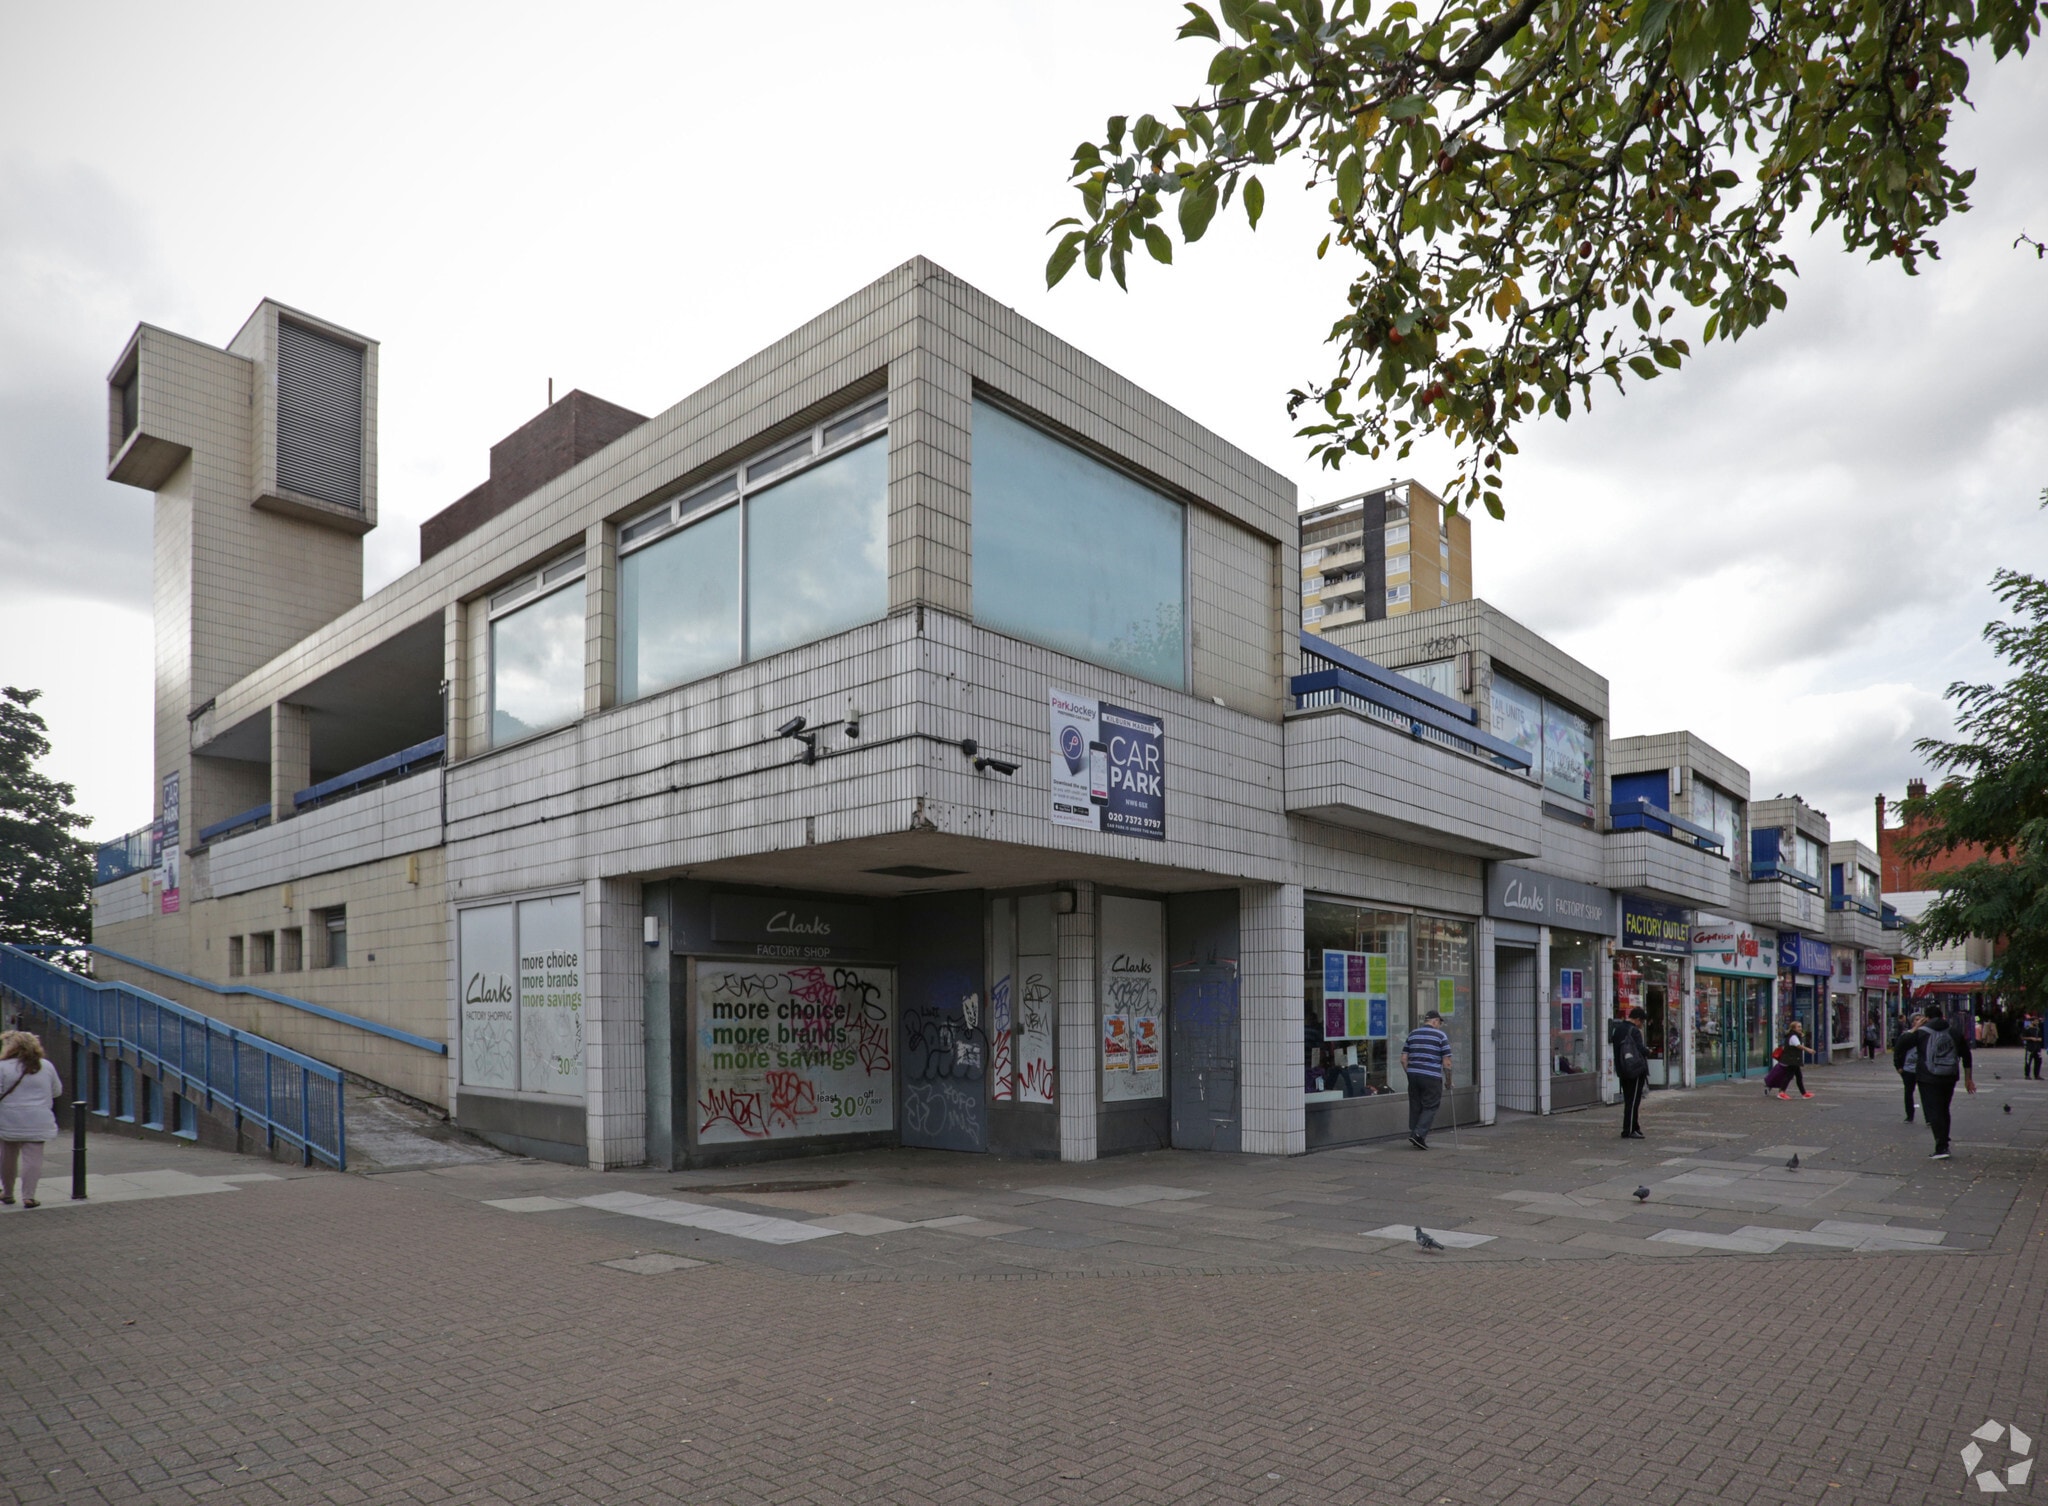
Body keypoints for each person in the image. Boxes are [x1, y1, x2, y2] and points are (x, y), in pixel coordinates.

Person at [0, 1031, 64, 1209]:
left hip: (9, 1120)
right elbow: (57, 1091)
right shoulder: (46, 1066)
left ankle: (7, 1193)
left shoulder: (3, 1067)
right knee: (33, 1159)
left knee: (7, 1157)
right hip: (38, 1118)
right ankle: (29, 1196)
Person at [1905, 1006, 1975, 1159]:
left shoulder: (1922, 1032)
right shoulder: (1954, 1032)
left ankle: (1941, 1146)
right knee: (1944, 1108)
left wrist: (1916, 1027)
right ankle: (1944, 1139)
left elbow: (1903, 1043)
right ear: (1942, 1016)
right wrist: (1968, 1079)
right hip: (1949, 1076)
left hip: (1927, 1077)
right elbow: (1966, 1055)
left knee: (1933, 1110)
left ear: (1927, 1018)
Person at [1400, 1011, 1451, 1149]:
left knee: (1416, 1104)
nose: (1439, 1026)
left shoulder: (1413, 1034)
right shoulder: (1440, 1036)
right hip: (1431, 1076)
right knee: (1431, 1105)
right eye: (1439, 1023)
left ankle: (1415, 1133)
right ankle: (1418, 1134)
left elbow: (1403, 1059)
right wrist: (1448, 1081)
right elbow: (1446, 1062)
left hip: (1413, 1075)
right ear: (1434, 1021)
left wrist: (1410, 1073)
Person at [1609, 1006, 1650, 1139]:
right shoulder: (1634, 1031)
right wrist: (1648, 1051)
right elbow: (1640, 1049)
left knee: (1628, 1100)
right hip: (1636, 1069)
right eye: (1641, 1022)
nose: (1641, 1025)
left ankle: (1633, 1127)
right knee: (1634, 1101)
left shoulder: (1619, 1029)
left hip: (1623, 1069)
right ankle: (1630, 1129)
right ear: (1637, 1019)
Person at [1892, 1012, 1926, 1122]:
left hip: (1922, 1069)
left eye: (1921, 1019)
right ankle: (1909, 1115)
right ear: (1912, 1022)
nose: (1919, 1021)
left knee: (1926, 1094)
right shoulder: (1906, 1035)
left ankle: (1929, 1118)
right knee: (1908, 1092)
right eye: (1916, 1019)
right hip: (1908, 1069)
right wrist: (1898, 1066)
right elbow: (1898, 1050)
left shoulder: (1925, 1034)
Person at [1775, 1022, 1813, 1099]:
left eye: (1801, 1026)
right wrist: (1808, 1049)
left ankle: (1804, 1093)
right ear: (1793, 1028)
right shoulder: (1793, 1036)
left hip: (1794, 1059)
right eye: (1798, 1027)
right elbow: (1798, 1045)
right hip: (1792, 1059)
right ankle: (1781, 1092)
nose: (1800, 1028)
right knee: (1789, 1076)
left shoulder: (1795, 1035)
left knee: (1798, 1076)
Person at [2022, 1012, 2044, 1081]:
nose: (2037, 1022)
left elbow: (2041, 1037)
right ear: (2032, 1021)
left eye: (2037, 1021)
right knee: (2028, 1061)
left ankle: (2037, 1074)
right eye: (2036, 1021)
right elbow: (2023, 1037)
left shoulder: (2038, 1029)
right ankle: (2027, 1075)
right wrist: (2031, 1038)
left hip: (2037, 1047)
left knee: (2039, 1060)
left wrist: (2040, 1039)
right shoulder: (2027, 1028)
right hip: (2030, 1047)